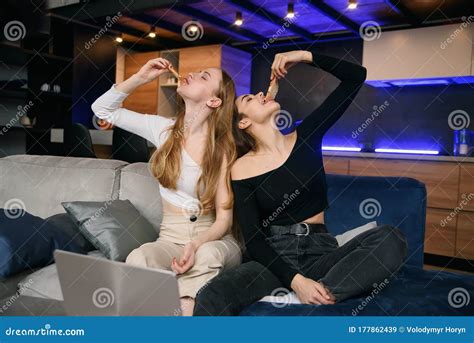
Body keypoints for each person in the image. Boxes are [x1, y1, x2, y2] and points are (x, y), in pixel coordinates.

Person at [193, 49, 408, 316]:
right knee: (212, 294)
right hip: (274, 257)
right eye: (249, 98)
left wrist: (305, 56)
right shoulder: (241, 169)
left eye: (260, 92)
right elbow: (254, 239)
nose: (261, 94)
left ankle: (323, 292)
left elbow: (356, 77)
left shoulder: (307, 135)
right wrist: (296, 280)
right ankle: (307, 291)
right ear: (243, 122)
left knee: (391, 238)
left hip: (323, 253)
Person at [91, 57, 242, 316]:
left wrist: (195, 245)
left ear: (214, 101)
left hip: (213, 240)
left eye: (204, 76)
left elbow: (224, 219)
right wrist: (140, 77)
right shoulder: (163, 130)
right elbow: (102, 110)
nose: (193, 73)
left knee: (208, 257)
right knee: (139, 258)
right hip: (170, 239)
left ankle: (182, 314)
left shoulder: (223, 150)